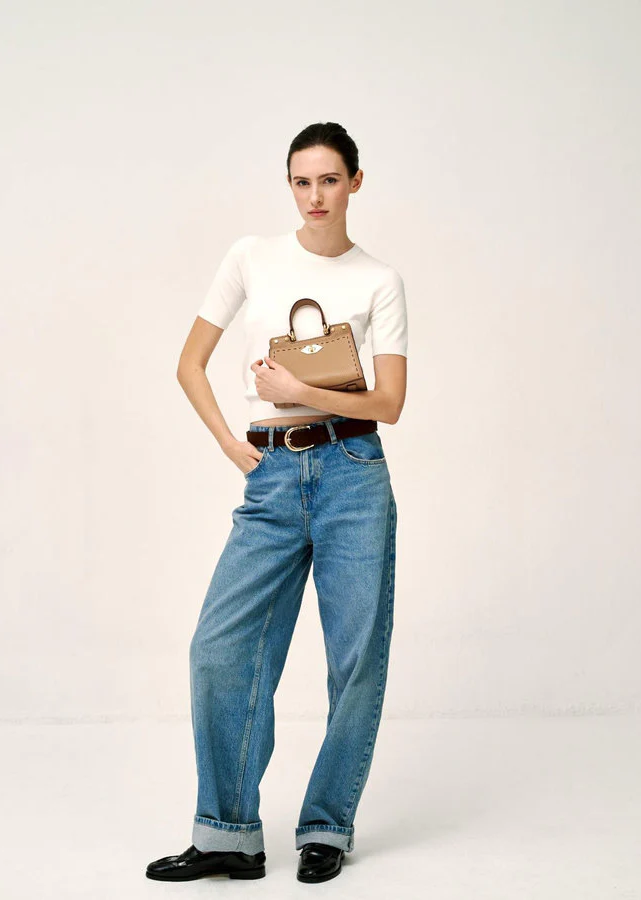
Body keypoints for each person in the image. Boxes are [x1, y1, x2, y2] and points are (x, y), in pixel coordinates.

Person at [146, 122, 408, 885]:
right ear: (289, 185)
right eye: (301, 181)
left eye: (329, 180)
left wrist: (298, 388)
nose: (314, 196)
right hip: (271, 474)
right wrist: (230, 442)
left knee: (354, 659)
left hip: (354, 470)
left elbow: (390, 402)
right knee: (219, 648)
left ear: (355, 182)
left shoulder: (378, 279)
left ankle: (327, 825)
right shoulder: (251, 256)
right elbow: (189, 363)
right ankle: (229, 834)